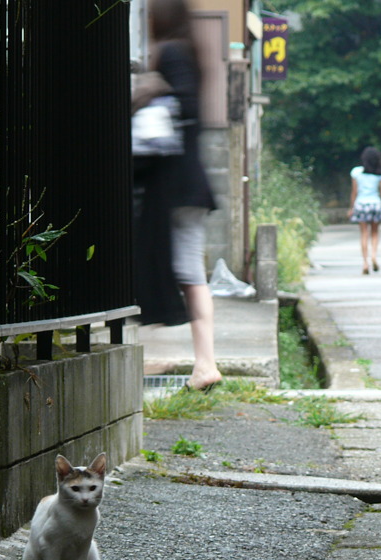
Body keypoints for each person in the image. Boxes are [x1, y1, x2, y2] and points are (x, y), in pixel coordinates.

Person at [148, 0, 221, 391]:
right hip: (191, 181)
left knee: (180, 271)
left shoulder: (171, 53)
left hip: (175, 183)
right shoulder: (192, 52)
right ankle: (201, 361)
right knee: (188, 271)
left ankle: (198, 361)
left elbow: (174, 114)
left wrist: (148, 92)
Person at [348, 147, 381, 275]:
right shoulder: (380, 174)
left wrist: (351, 208)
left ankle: (365, 262)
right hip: (375, 204)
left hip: (361, 204)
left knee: (364, 234)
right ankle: (374, 255)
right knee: (374, 233)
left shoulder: (356, 172)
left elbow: (354, 192)